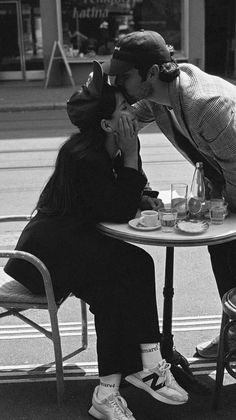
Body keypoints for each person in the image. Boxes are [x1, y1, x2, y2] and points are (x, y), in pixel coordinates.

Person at [4, 61, 188, 419]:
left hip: (76, 245)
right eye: (124, 108)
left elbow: (123, 193)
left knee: (116, 289)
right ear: (107, 123)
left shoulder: (111, 148)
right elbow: (117, 209)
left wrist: (143, 192)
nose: (133, 113)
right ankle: (147, 364)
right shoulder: (81, 155)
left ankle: (110, 390)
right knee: (135, 265)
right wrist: (132, 156)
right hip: (45, 257)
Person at [102, 29, 236, 360]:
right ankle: (235, 332)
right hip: (225, 183)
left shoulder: (206, 104)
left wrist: (218, 213)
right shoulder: (158, 98)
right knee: (222, 253)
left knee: (228, 248)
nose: (118, 84)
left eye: (124, 77)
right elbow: (123, 123)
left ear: (151, 72)